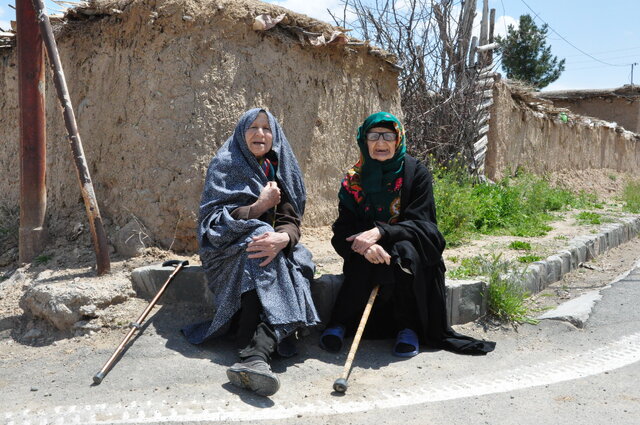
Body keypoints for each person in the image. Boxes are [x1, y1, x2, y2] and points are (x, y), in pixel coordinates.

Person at [320, 112, 495, 357]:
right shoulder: (353, 181)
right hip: (368, 255)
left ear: (398, 139)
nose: (381, 142)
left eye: (388, 135)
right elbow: (342, 229)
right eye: (373, 136)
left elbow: (424, 225)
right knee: (360, 249)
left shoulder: (415, 173)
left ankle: (408, 327)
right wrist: (365, 244)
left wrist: (381, 231)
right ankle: (341, 323)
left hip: (408, 249)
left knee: (403, 252)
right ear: (363, 140)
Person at [182, 108, 319, 397]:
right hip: (226, 249)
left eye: (267, 129)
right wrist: (259, 207)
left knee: (300, 258)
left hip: (269, 248)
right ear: (241, 133)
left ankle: (255, 355)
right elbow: (213, 223)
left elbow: (291, 221)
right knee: (258, 246)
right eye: (253, 127)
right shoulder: (225, 164)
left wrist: (282, 238)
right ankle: (255, 351)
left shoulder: (281, 168)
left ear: (275, 135)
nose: (260, 134)